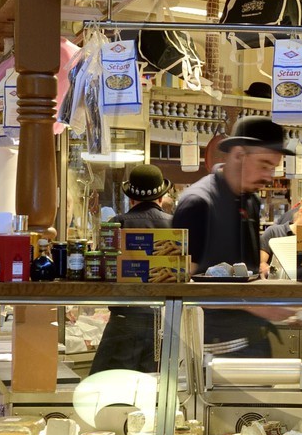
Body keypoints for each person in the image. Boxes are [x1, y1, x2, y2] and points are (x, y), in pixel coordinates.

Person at [173, 115, 290, 357]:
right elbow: (181, 285)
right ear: (238, 155)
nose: (269, 176)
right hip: (215, 348)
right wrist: (260, 308)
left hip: (254, 341)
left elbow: (247, 270)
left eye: (274, 167)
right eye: (265, 165)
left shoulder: (250, 200)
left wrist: (280, 301)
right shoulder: (198, 203)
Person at [89, 164, 172, 375]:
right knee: (152, 389)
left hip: (125, 320)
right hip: (163, 322)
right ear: (161, 198)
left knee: (109, 386)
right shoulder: (175, 225)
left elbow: (102, 268)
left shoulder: (118, 224)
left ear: (131, 199)